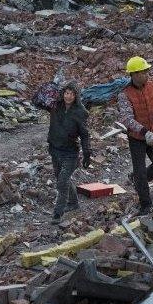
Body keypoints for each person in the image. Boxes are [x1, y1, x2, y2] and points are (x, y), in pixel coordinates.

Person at [118, 56, 153, 215]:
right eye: (144, 71)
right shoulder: (124, 94)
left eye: (147, 71)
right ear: (134, 74)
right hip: (137, 138)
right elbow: (127, 119)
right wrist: (145, 133)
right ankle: (146, 205)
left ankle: (138, 181)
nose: (147, 74)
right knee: (140, 171)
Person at [46, 81, 91, 224]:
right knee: (61, 178)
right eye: (66, 93)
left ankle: (57, 214)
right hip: (55, 149)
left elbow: (84, 135)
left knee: (62, 182)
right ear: (63, 93)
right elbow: (39, 101)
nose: (68, 96)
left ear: (76, 95)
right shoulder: (55, 106)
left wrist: (87, 153)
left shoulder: (81, 112)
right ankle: (74, 203)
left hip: (70, 153)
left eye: (72, 94)